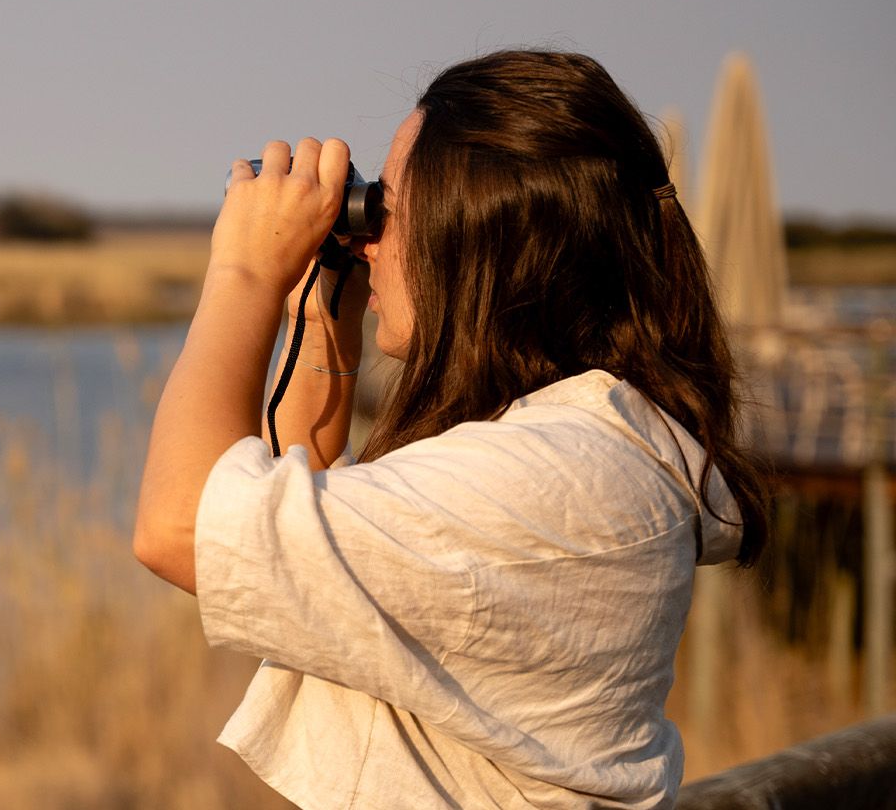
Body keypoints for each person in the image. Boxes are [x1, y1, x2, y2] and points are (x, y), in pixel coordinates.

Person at [132, 50, 773, 809]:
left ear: (480, 240)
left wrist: (242, 274)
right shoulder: (581, 445)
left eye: (391, 210)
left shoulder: (549, 479)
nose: (371, 236)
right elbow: (283, 515)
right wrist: (317, 312)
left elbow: (182, 529)